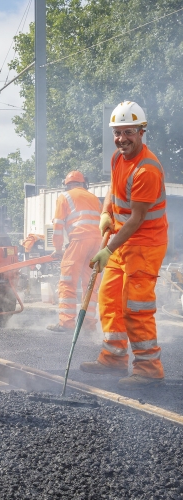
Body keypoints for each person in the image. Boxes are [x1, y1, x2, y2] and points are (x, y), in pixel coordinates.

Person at [80, 101, 168, 389]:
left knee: (135, 307)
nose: (121, 139)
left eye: (128, 132)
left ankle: (148, 367)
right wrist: (106, 211)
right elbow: (113, 190)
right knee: (108, 299)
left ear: (141, 131)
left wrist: (107, 249)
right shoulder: (118, 159)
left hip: (144, 243)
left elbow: (137, 219)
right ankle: (114, 357)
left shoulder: (147, 170)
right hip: (122, 241)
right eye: (117, 133)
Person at [47, 171, 102, 333]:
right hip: (97, 242)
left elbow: (58, 225)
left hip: (79, 240)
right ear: (84, 183)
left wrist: (57, 248)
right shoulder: (95, 199)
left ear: (67, 185)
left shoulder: (65, 197)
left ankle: (66, 322)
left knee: (67, 281)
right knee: (91, 283)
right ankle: (88, 323)